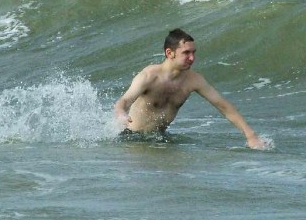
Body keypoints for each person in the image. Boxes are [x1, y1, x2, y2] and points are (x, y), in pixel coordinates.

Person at [114, 28, 267, 149]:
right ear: (169, 53)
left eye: (193, 53)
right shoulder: (149, 76)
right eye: (186, 53)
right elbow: (124, 101)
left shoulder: (194, 80)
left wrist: (251, 136)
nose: (192, 58)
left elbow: (224, 106)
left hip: (161, 139)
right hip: (132, 139)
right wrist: (121, 114)